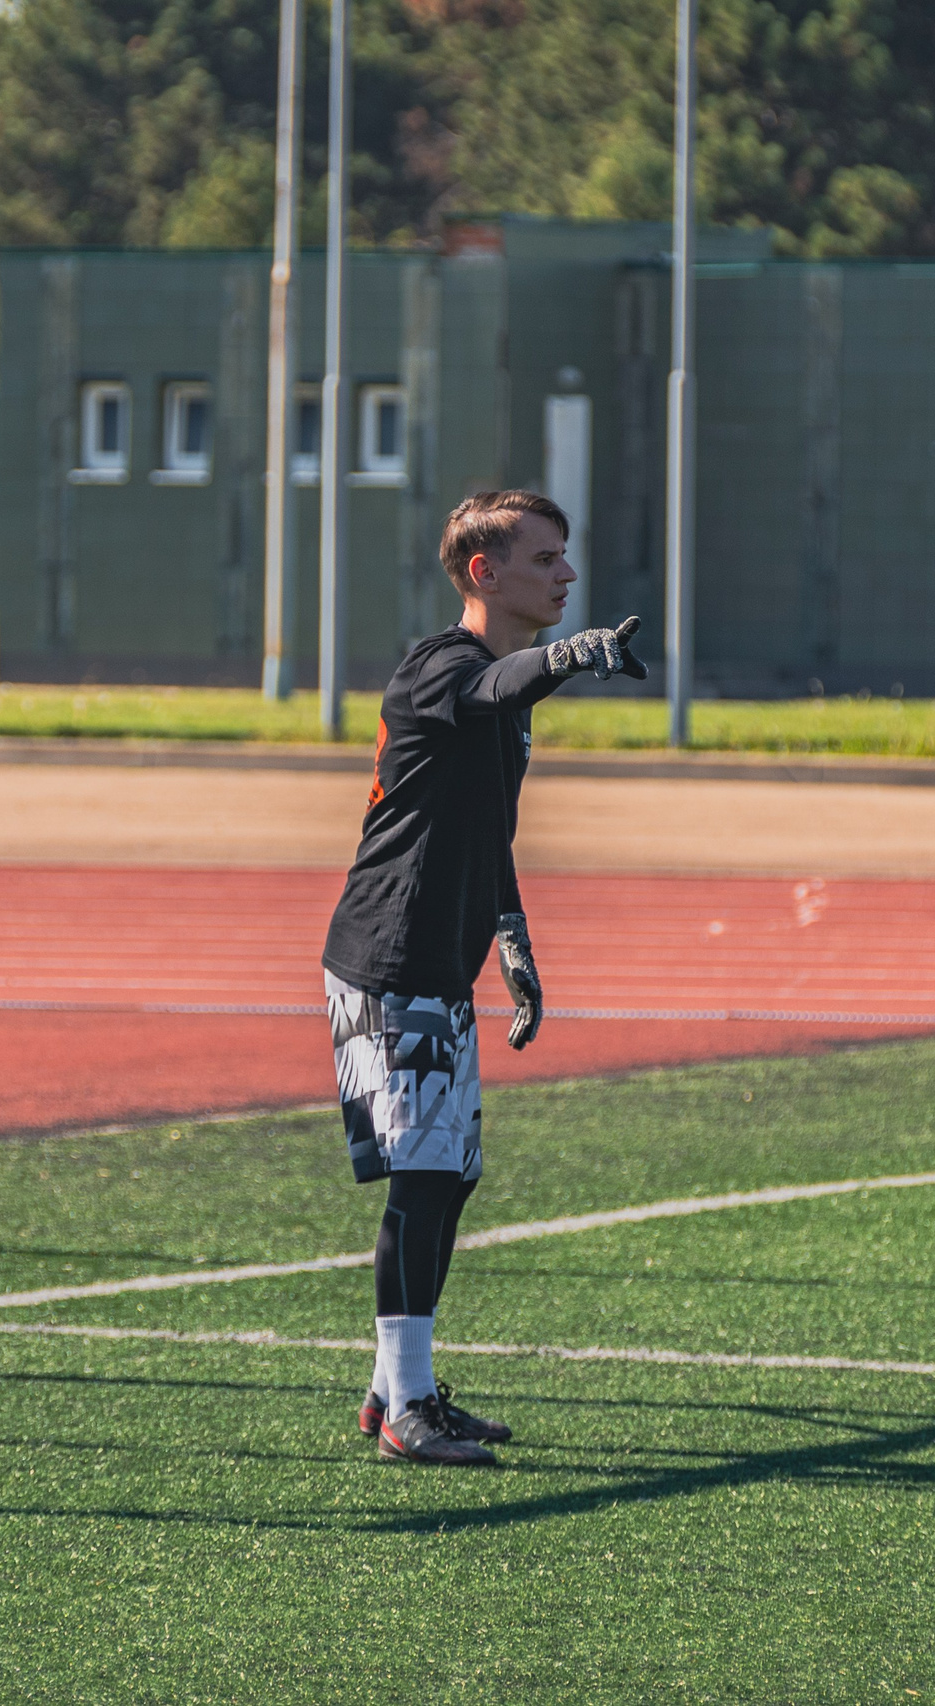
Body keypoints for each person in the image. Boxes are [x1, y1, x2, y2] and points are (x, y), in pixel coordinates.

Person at [320, 489, 646, 1466]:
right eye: (546, 558)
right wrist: (567, 653)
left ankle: (395, 1391)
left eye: (564, 556)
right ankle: (409, 1403)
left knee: (450, 1178)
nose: (566, 574)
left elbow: (485, 822)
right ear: (483, 573)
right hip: (389, 961)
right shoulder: (440, 666)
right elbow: (496, 686)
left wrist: (511, 935)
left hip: (438, 964)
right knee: (421, 1181)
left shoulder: (499, 686)